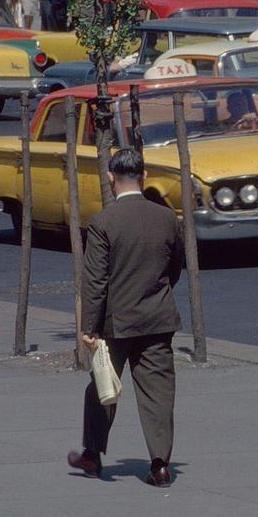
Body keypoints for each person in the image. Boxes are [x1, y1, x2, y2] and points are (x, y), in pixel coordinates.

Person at [67, 148, 184, 487]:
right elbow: (175, 266)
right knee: (159, 392)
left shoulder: (104, 222)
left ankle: (92, 453)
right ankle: (160, 464)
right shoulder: (166, 218)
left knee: (103, 386)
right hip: (158, 318)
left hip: (116, 321)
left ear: (110, 177)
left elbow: (95, 281)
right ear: (143, 176)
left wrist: (89, 327)